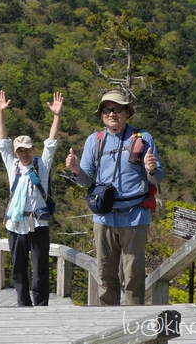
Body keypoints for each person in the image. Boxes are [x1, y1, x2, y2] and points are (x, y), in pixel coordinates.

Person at [65, 90, 164, 306]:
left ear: (127, 112)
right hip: (104, 217)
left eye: (117, 109)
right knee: (105, 272)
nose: (112, 113)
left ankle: (133, 324)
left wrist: (151, 168)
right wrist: (75, 170)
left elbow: (157, 178)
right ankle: (108, 322)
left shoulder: (143, 138)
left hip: (135, 216)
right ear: (101, 115)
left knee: (134, 273)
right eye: (107, 110)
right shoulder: (95, 140)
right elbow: (86, 180)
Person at [0, 90, 62, 307]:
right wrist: (0, 112)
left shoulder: (41, 165)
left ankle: (41, 304)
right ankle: (23, 303)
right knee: (18, 266)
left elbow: (51, 143)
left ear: (33, 149)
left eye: (27, 149)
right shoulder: (12, 166)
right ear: (16, 153)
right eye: (20, 150)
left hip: (38, 222)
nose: (23, 153)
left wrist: (56, 116)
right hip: (16, 222)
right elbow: (2, 141)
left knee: (41, 266)